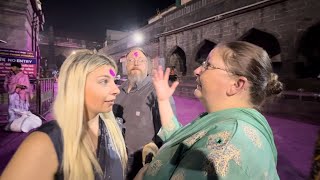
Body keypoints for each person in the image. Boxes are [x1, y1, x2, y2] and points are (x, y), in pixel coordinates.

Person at [137, 41, 282, 179]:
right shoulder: (226, 123)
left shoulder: (228, 146)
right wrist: (163, 100)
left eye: (208, 65)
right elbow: (182, 140)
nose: (197, 71)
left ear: (237, 84)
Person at [1, 50, 127, 180]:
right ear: (75, 85)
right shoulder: (44, 144)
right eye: (104, 81)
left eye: (113, 80)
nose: (116, 90)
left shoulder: (112, 129)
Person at [113, 47, 176, 179]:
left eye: (140, 60)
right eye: (131, 60)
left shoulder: (156, 91)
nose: (135, 63)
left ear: (147, 65)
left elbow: (169, 132)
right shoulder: (117, 91)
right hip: (117, 159)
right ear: (125, 64)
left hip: (142, 163)